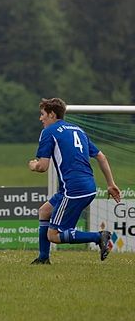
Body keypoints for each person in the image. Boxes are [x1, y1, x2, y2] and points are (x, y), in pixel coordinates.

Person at [28, 97, 120, 264]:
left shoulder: (49, 132)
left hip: (73, 190)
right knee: (44, 211)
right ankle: (43, 258)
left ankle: (99, 237)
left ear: (52, 114)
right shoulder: (78, 130)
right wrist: (110, 184)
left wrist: (33, 165)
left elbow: (42, 167)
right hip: (86, 187)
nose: (40, 118)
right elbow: (101, 156)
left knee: (53, 235)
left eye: (42, 114)